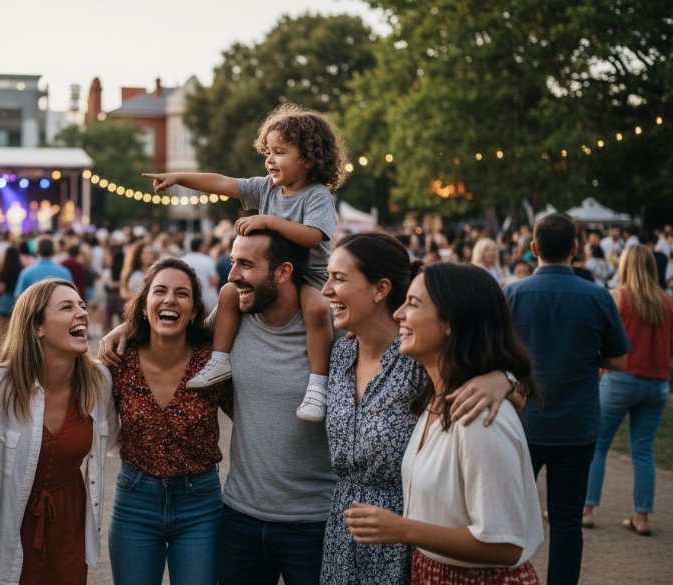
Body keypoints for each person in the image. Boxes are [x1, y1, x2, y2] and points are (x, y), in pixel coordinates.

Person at [318, 234, 519, 585]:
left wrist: (505, 379)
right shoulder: (340, 353)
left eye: (339, 278)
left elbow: (480, 366)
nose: (326, 290)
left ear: (380, 289)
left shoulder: (417, 353)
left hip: (409, 532)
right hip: (343, 530)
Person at [145, 103, 340, 422]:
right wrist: (178, 177)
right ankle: (220, 359)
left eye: (280, 152)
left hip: (310, 275)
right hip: (272, 276)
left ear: (307, 158)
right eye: (269, 151)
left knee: (317, 309)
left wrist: (268, 221)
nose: (270, 160)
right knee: (226, 294)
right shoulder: (266, 187)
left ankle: (318, 385)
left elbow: (312, 236)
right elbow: (223, 183)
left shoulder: (316, 195)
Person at [505, 213, 629, 585]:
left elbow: (497, 354)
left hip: (524, 424)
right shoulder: (597, 296)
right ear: (576, 249)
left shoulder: (513, 293)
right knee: (566, 521)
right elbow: (619, 359)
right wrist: (587, 357)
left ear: (532, 249)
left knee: (509, 517)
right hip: (577, 424)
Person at [0, 278, 115, 585]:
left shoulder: (99, 380)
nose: (82, 313)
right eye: (67, 307)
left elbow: (119, 441)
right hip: (4, 527)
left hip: (68, 527)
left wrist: (128, 329)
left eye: (82, 306)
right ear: (37, 327)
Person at [106, 257, 232, 585]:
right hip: (135, 501)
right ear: (144, 306)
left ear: (193, 312)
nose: (169, 300)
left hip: (200, 506)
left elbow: (253, 415)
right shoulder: (119, 361)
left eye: (182, 294)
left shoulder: (213, 363)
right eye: (159, 291)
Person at [583, 245, 673, 536]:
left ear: (624, 266)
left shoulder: (618, 297)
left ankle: (585, 509)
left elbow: (602, 340)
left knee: (598, 445)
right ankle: (641, 516)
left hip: (620, 379)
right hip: (657, 382)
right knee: (644, 451)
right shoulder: (668, 302)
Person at [181, 236, 220, 313]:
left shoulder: (182, 260)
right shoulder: (207, 260)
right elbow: (214, 280)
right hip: (205, 299)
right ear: (201, 246)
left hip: (186, 298)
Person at [0, 244, 23, 338]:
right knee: (15, 332)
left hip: (5, 299)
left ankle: (3, 352)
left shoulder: (3, 269)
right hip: (17, 300)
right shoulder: (21, 269)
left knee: (2, 333)